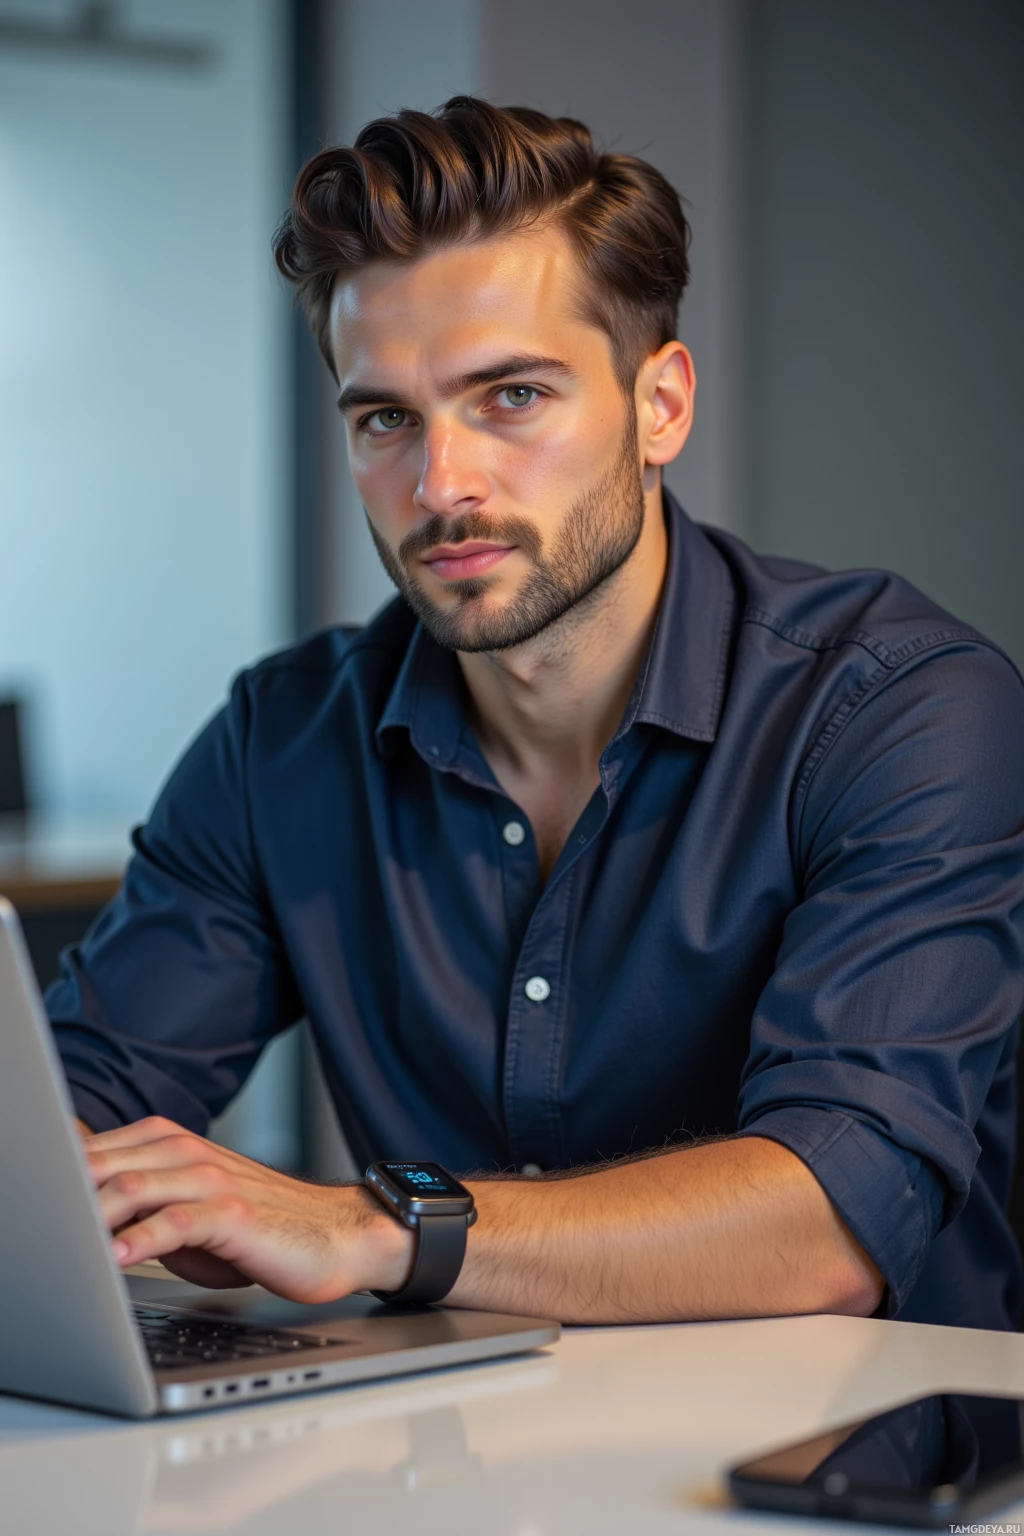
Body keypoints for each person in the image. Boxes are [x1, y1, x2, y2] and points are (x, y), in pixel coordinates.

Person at [52, 97, 1024, 1329]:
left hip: (852, 1482)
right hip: (449, 1463)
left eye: (510, 398)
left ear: (659, 405)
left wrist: (370, 1226)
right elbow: (67, 1114)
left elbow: (836, 1214)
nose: (440, 485)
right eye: (386, 418)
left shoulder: (905, 711)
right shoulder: (280, 743)